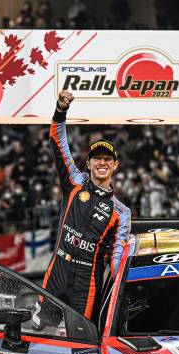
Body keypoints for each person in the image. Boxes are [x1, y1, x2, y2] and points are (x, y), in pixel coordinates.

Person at [33, 90, 131, 328]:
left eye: (108, 159)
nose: (102, 163)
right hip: (58, 271)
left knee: (80, 341)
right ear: (88, 164)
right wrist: (61, 110)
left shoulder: (122, 212)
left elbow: (117, 260)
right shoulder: (74, 182)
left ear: (115, 165)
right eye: (97, 158)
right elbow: (58, 142)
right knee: (39, 331)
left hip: (87, 283)